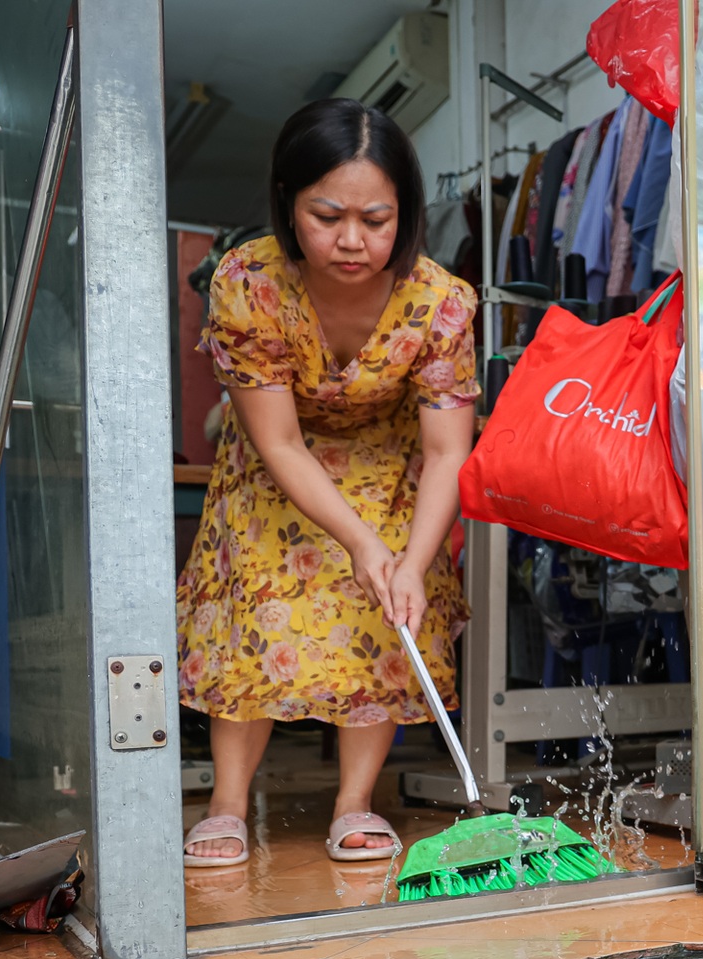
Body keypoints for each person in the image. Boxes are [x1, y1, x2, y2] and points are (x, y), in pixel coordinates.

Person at [177, 99, 478, 867]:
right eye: (327, 215)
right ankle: (227, 803)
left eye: (376, 220)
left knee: (386, 618)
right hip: (277, 466)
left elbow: (447, 453)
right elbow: (277, 439)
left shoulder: (442, 303)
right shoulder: (248, 282)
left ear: (406, 214)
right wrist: (356, 541)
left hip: (391, 466)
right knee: (259, 615)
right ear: (288, 203)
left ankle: (354, 802)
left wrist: (409, 560)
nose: (351, 240)